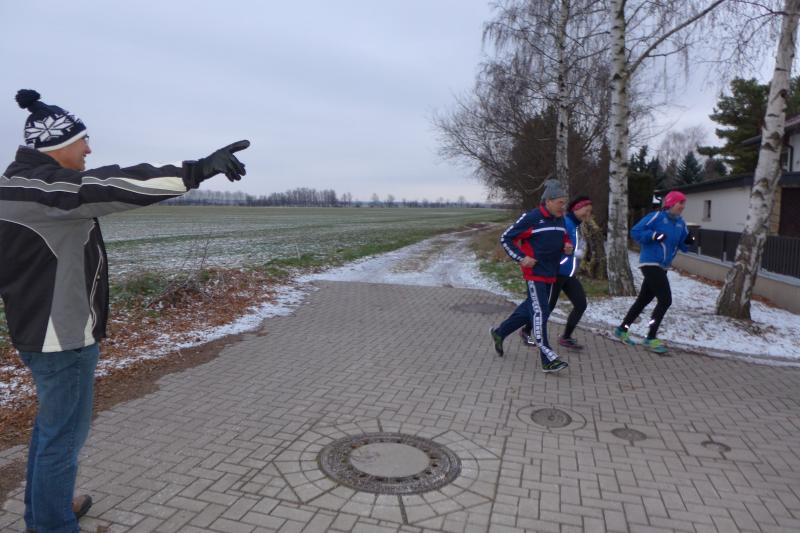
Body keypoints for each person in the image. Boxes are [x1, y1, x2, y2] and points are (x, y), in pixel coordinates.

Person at [0, 89, 250, 533]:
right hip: (62, 337)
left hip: (39, 330)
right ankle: (53, 524)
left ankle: (47, 509)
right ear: (56, 144)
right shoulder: (45, 193)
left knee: (51, 430)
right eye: (82, 140)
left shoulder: (19, 187)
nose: (89, 149)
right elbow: (112, 185)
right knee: (63, 437)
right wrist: (195, 170)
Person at [490, 179, 573, 373]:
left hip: (551, 272)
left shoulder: (560, 218)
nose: (563, 206)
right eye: (560, 202)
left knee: (530, 309)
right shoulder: (532, 218)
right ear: (549, 201)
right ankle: (547, 359)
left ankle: (500, 333)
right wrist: (521, 258)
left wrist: (567, 246)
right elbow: (506, 238)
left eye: (564, 202)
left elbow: (564, 237)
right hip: (534, 273)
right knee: (540, 312)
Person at [613, 190, 693, 354]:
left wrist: (689, 240)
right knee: (665, 300)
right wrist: (654, 235)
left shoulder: (681, 223)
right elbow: (635, 232)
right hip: (650, 262)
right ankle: (650, 338)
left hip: (663, 266)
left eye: (684, 203)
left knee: (643, 300)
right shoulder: (656, 217)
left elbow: (684, 246)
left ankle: (622, 329)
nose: (683, 206)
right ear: (671, 203)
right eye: (680, 203)